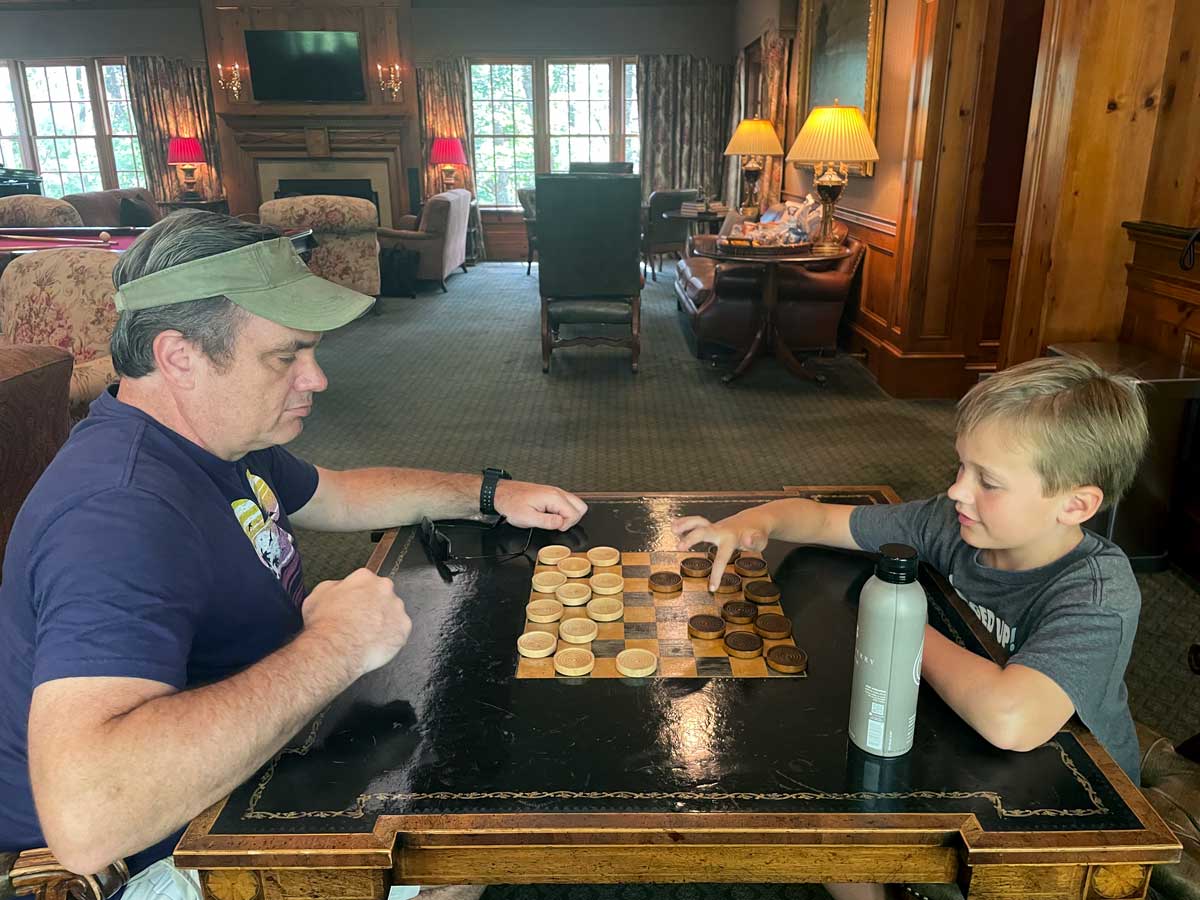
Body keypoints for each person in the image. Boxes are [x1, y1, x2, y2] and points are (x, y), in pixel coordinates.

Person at [0, 212, 586, 900]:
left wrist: (487, 493)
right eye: (286, 356)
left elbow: (335, 496)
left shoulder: (214, 441)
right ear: (178, 355)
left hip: (235, 779)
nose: (317, 379)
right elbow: (89, 819)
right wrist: (334, 646)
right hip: (152, 856)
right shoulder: (119, 515)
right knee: (456, 852)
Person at [672, 356, 1150, 900]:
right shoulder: (955, 524)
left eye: (987, 481)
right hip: (961, 746)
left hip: (1070, 815)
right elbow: (824, 519)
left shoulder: (1097, 591)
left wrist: (898, 626)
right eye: (961, 467)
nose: (957, 491)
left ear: (1076, 504)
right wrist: (755, 521)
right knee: (833, 819)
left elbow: (1011, 720)